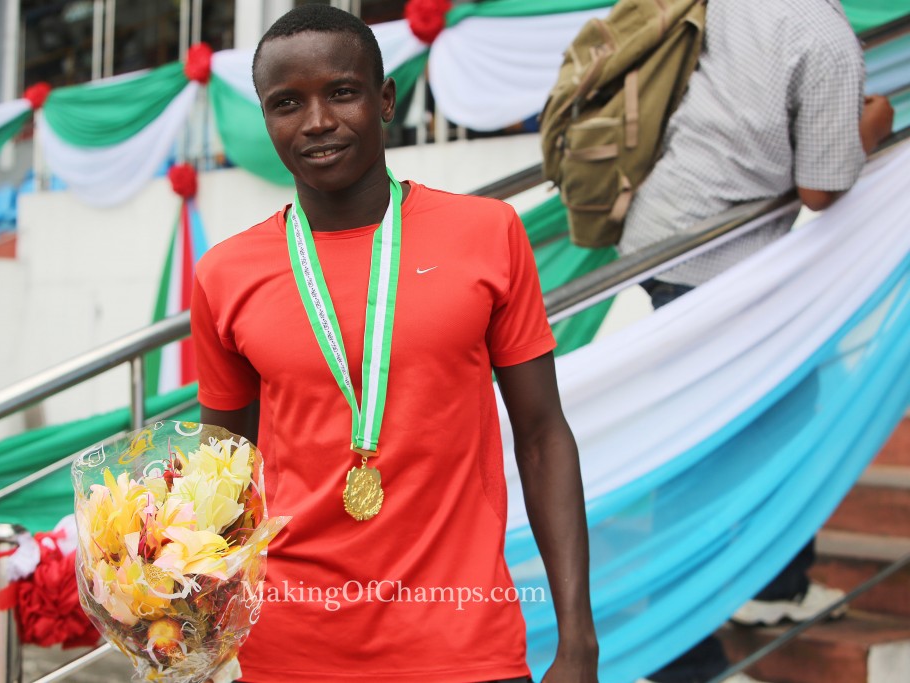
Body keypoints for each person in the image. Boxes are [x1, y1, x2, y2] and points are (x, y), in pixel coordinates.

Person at [191, 5, 598, 682]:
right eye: (287, 102)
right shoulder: (225, 273)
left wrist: (578, 641)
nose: (317, 120)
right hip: (289, 650)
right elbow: (224, 472)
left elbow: (543, 434)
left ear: (385, 100)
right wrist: (185, 616)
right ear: (266, 119)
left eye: (341, 92)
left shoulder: (488, 233)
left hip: (464, 644)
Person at [619, 1, 894, 681]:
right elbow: (822, 185)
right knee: (703, 460)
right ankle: (678, 657)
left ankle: (777, 586)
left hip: (673, 231)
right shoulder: (825, 36)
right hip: (712, 258)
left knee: (797, 412)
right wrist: (877, 122)